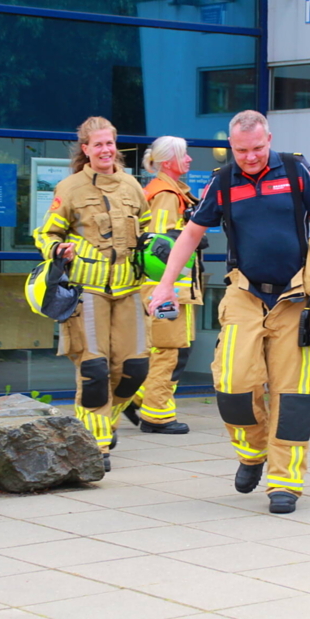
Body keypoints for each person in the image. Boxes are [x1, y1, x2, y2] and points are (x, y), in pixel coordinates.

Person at [147, 110, 310, 514]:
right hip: (245, 294)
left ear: (268, 138)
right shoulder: (223, 181)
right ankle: (252, 452)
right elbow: (191, 234)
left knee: (293, 395)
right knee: (232, 385)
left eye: (256, 148)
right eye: (240, 150)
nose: (250, 157)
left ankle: (285, 482)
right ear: (231, 147)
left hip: (295, 298)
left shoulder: (295, 169)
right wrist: (165, 284)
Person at [33, 116, 150, 472]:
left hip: (129, 288)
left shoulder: (132, 186)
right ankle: (96, 442)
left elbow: (146, 232)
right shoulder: (69, 188)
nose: (105, 150)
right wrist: (57, 251)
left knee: (134, 367)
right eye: (97, 144)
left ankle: (109, 420)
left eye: (109, 143)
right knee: (95, 369)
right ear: (85, 149)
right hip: (88, 292)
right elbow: (46, 234)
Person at [130, 136, 202, 434]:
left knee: (167, 349)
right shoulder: (167, 195)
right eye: (184, 156)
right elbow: (160, 244)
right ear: (167, 161)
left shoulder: (168, 192)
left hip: (168, 288)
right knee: (169, 350)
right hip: (168, 289)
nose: (190, 160)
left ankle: (136, 397)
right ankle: (157, 414)